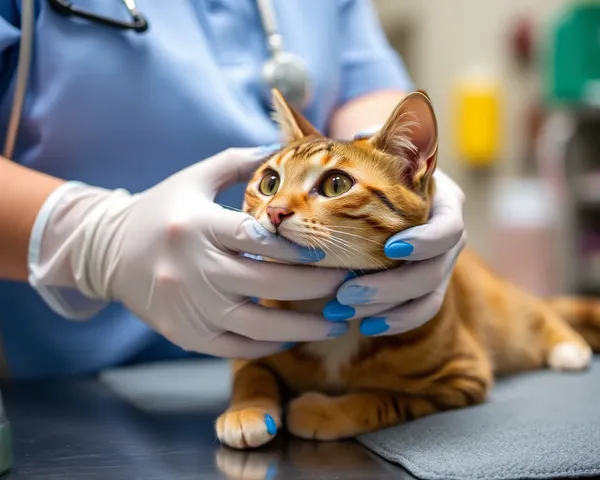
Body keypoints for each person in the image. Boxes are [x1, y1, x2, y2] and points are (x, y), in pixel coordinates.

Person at [0, 0, 466, 380]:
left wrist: (399, 172)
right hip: (66, 387)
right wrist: (98, 241)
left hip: (294, 356)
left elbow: (364, 89)